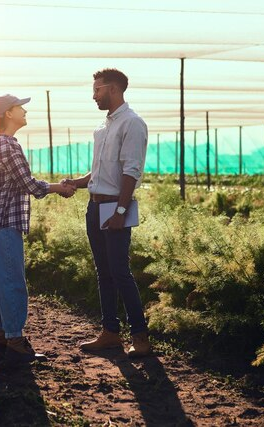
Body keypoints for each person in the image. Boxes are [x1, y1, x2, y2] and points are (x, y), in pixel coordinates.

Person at [0, 94, 76, 364]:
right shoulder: (8, 146)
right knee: (11, 281)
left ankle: (1, 336)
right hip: (5, 221)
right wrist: (60, 187)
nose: (24, 111)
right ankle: (16, 341)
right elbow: (28, 185)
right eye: (20, 107)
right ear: (9, 114)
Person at [63, 69, 152, 357]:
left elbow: (131, 171)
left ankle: (140, 338)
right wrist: (76, 183)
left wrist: (121, 210)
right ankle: (110, 332)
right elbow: (100, 172)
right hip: (95, 206)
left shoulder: (132, 124)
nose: (93, 95)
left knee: (120, 272)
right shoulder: (103, 128)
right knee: (104, 273)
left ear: (113, 89)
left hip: (115, 206)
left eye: (97, 90)